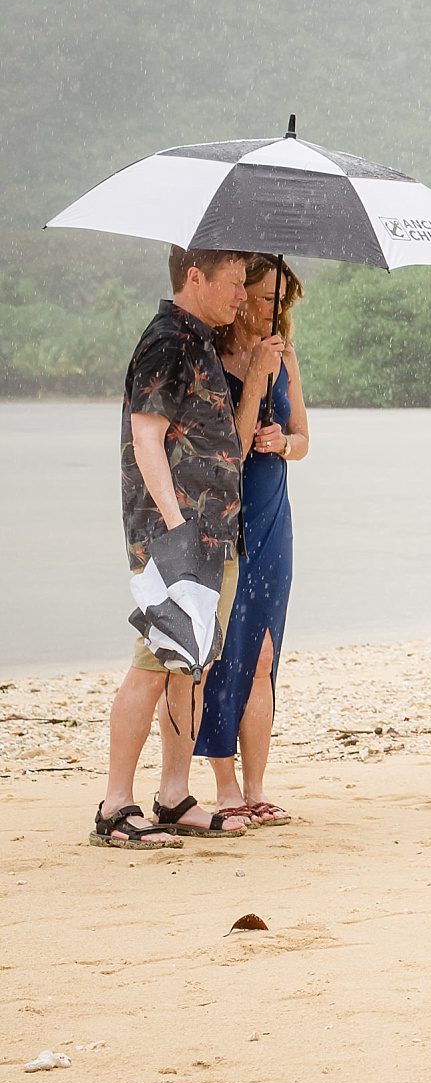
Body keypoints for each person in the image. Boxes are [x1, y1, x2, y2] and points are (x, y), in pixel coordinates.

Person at [93, 246, 274, 850]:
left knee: (188, 669)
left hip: (212, 533)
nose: (243, 297)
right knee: (152, 665)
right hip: (174, 538)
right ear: (195, 278)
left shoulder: (199, 339)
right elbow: (146, 441)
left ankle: (173, 795)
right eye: (233, 283)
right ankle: (116, 804)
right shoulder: (166, 340)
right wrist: (175, 530)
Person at [195, 255, 309, 827]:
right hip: (227, 520)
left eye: (279, 301)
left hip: (273, 517)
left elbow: (304, 440)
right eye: (263, 299)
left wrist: (281, 442)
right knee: (226, 654)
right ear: (241, 299)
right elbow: (227, 453)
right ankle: (223, 782)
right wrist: (256, 380)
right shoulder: (213, 359)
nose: (272, 311)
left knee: (263, 652)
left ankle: (258, 784)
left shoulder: (285, 355)